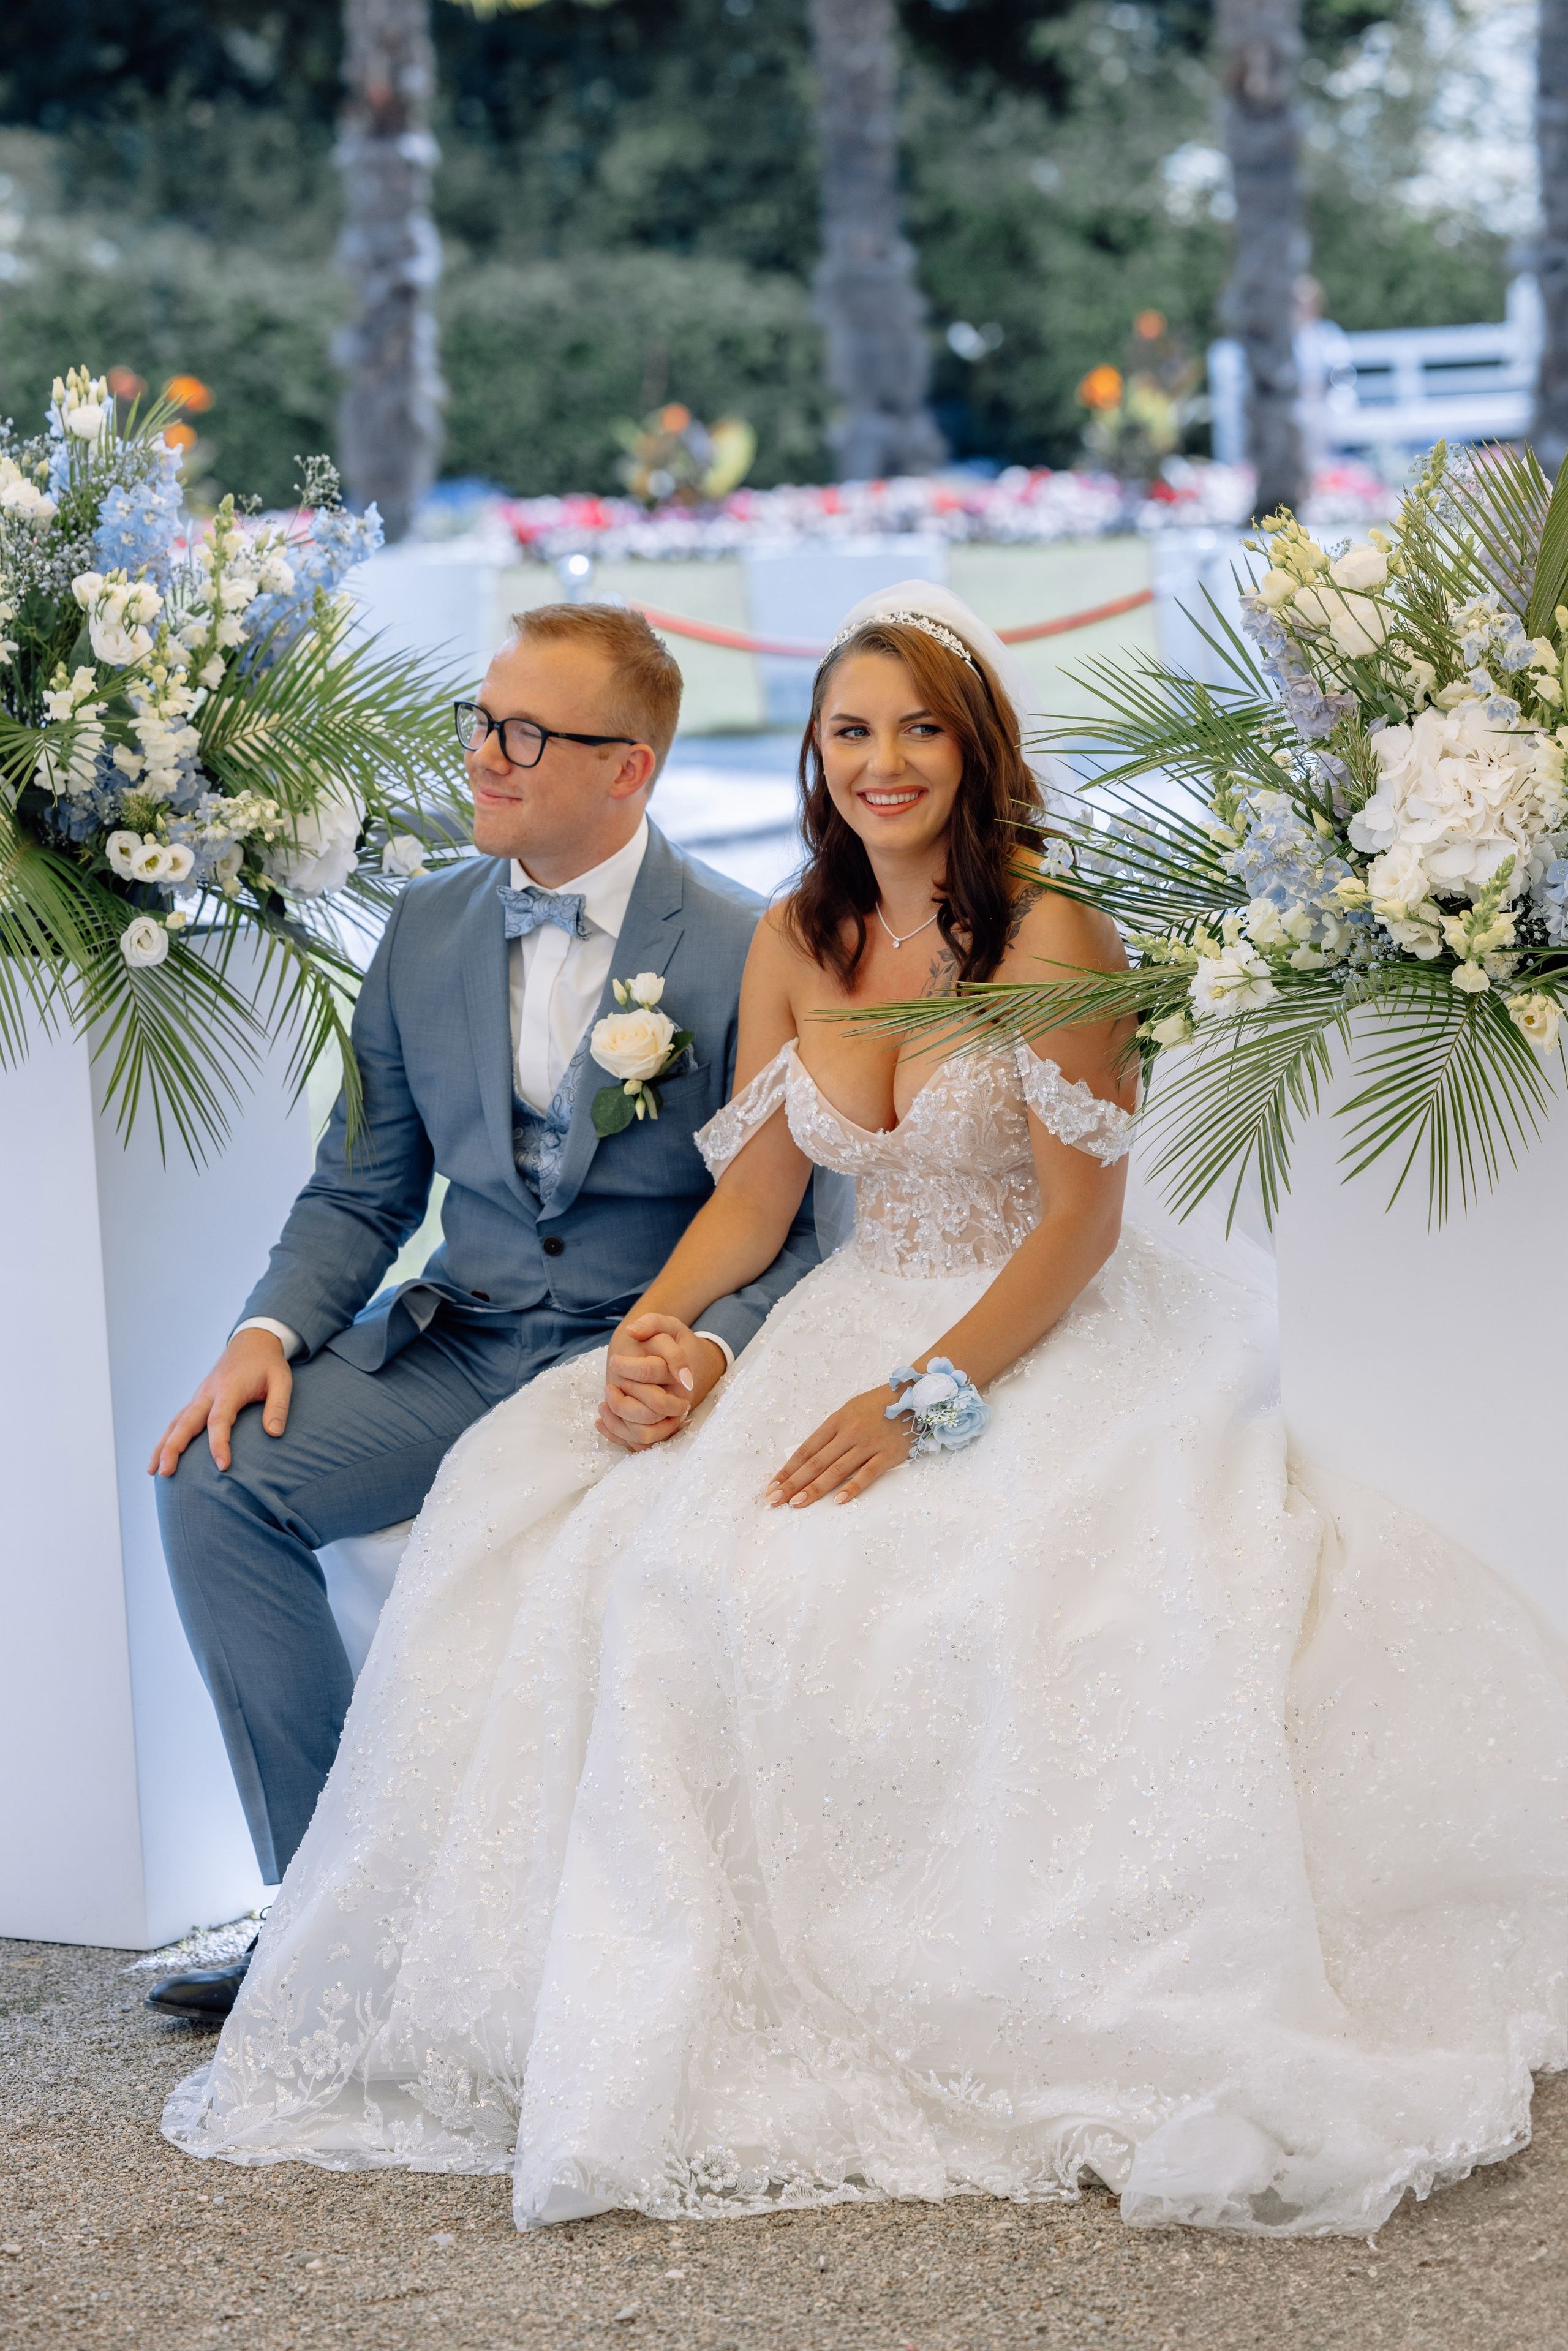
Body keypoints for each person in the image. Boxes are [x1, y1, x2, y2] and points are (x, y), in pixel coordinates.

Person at [162, 585, 1567, 2239]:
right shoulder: (795, 937)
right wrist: (665, 1322)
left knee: (915, 1591)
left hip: (1027, 1332)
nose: (882, 759)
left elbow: (1077, 1226)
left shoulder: (1059, 935)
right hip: (840, 1320)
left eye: (919, 727)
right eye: (850, 730)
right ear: (816, 760)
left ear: (976, 750)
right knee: (632, 1555)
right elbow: (756, 1207)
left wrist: (931, 1394)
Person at [144, 602, 821, 2019]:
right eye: (481, 717)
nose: (484, 755)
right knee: (215, 1479)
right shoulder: (425, 924)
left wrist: (703, 1348)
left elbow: (791, 1227)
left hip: (636, 1357)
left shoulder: (744, 946)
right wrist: (263, 1333)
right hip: (458, 1338)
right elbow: (360, 1186)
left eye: (525, 732)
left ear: (627, 767)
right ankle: (322, 1910)